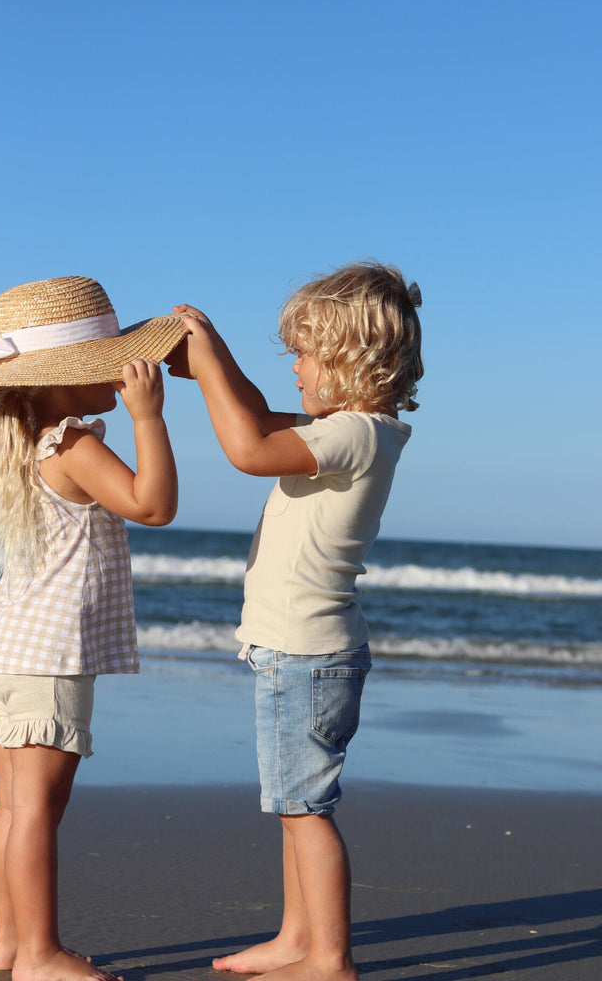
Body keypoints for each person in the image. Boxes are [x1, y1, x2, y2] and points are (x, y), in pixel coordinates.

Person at [0, 276, 187, 981]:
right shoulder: (70, 444)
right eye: (112, 361)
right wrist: (149, 418)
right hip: (46, 657)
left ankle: (13, 942)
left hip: (9, 648)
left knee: (16, 805)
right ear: (67, 380)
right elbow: (153, 506)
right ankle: (38, 954)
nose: (125, 372)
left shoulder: (34, 440)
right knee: (37, 807)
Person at [168, 260, 423, 981]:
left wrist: (213, 368)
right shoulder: (354, 429)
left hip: (306, 653)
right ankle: (296, 939)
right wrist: (214, 363)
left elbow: (248, 447)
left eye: (305, 356)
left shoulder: (354, 435)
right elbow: (252, 412)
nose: (297, 371)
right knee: (292, 805)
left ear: (349, 360)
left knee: (306, 808)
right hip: (302, 651)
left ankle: (331, 958)